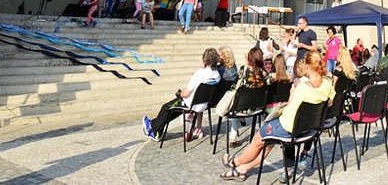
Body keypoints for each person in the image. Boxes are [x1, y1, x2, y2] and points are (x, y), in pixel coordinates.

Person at [220, 51, 335, 180]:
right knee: (268, 142)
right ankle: (242, 169)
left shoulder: (303, 88)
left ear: (307, 67)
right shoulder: (327, 82)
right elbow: (330, 102)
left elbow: (291, 111)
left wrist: (291, 95)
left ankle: (235, 162)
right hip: (309, 127)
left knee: (259, 139)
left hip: (289, 127)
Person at [143, 47, 220, 141]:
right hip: (203, 104)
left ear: (205, 59)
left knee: (166, 107)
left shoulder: (200, 73)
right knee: (173, 109)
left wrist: (180, 93)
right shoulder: (217, 75)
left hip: (191, 104)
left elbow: (186, 93)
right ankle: (154, 126)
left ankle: (155, 131)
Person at [228, 47, 269, 146]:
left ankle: (233, 137)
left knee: (236, 103)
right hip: (257, 107)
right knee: (239, 102)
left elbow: (236, 85)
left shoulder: (244, 70)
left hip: (240, 107)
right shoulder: (265, 73)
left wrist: (246, 65)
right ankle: (242, 120)